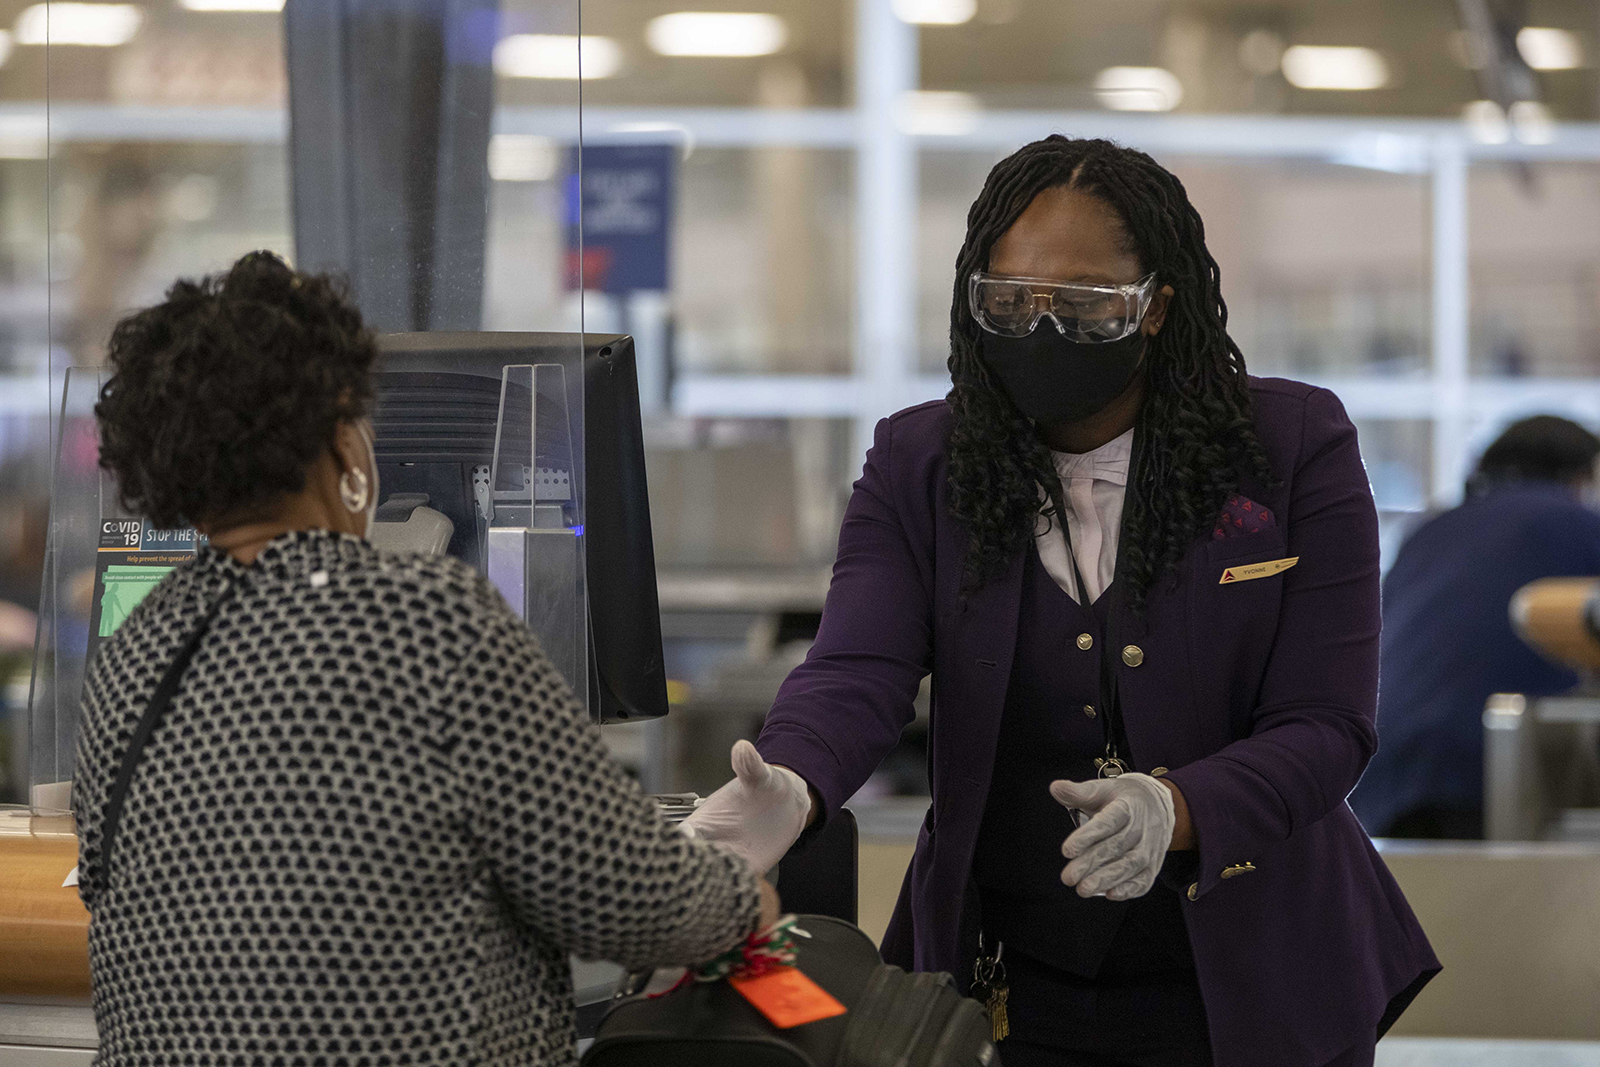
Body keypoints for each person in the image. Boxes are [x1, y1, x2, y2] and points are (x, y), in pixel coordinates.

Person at [684, 136, 1439, 1067]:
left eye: (1082, 306)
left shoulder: (1290, 446)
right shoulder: (921, 461)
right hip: (1010, 971)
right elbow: (857, 668)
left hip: (1255, 965)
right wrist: (793, 785)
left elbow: (1327, 724)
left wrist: (1179, 805)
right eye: (1010, 301)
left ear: (1157, 307)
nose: (1041, 329)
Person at [74, 251, 776, 1066]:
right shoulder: (427, 620)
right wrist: (742, 901)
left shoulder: (132, 659)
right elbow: (618, 892)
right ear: (343, 446)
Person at [1352, 415, 1600, 840]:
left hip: (1378, 774)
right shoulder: (1579, 525)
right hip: (1492, 769)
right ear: (1583, 475)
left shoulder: (1428, 531)